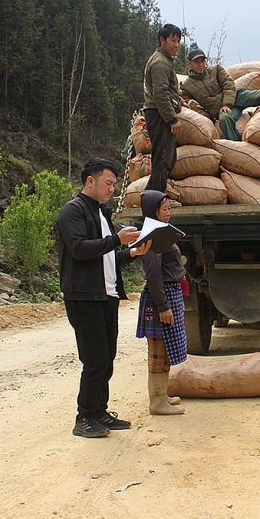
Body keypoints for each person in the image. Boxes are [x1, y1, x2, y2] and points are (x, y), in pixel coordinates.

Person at [56, 158, 151, 438]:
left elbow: (107, 256)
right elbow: (80, 249)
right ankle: (83, 417)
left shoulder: (100, 213)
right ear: (90, 181)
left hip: (105, 295)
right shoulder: (72, 212)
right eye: (108, 183)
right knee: (94, 359)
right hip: (84, 296)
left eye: (113, 184)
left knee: (106, 356)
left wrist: (131, 253)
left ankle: (99, 412)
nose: (112, 189)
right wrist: (117, 241)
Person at [136, 190, 188, 416]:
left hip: (169, 293)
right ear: (152, 211)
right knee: (158, 351)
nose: (168, 213)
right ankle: (156, 403)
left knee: (166, 349)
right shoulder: (151, 235)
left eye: (169, 209)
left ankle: (162, 395)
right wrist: (163, 307)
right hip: (160, 296)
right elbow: (153, 275)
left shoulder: (161, 232)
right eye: (164, 209)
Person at [180, 48, 260, 141]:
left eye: (203, 61)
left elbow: (229, 85)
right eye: (197, 62)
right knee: (224, 120)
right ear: (189, 63)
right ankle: (236, 145)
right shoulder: (187, 86)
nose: (201, 65)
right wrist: (191, 103)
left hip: (236, 97)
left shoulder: (216, 70)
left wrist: (226, 104)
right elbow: (187, 103)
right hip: (221, 110)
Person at [143, 23, 183, 192]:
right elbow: (160, 94)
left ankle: (152, 197)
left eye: (179, 41)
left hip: (158, 114)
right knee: (163, 160)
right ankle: (153, 201)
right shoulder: (160, 63)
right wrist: (172, 119)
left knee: (167, 159)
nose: (176, 45)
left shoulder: (164, 61)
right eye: (173, 40)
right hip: (159, 116)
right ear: (162, 40)